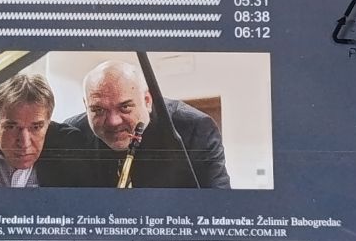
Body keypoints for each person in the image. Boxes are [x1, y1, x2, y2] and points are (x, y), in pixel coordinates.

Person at [64, 60, 231, 188]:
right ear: (86, 105)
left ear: (147, 101)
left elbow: (219, 206)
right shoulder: (72, 135)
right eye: (98, 110)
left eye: (125, 107)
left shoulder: (195, 129)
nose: (113, 122)